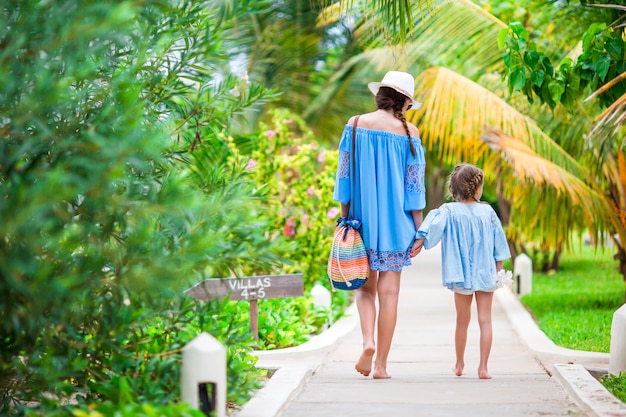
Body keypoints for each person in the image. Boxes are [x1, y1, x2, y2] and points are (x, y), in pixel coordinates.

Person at [333, 70, 426, 379]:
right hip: (397, 226)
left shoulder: (355, 125)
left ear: (381, 95)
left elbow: (343, 178)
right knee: (390, 295)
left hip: (361, 222)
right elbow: (414, 188)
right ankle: (382, 366)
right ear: (405, 103)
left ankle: (368, 342)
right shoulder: (410, 133)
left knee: (364, 289)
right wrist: (419, 231)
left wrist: (347, 216)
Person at [414, 164, 511, 379]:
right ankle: (483, 368)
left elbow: (432, 225)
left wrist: (419, 241)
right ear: (476, 188)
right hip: (486, 274)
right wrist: (498, 271)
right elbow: (500, 245)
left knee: (462, 321)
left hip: (460, 274)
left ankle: (459, 364)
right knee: (485, 320)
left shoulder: (448, 211)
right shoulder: (488, 212)